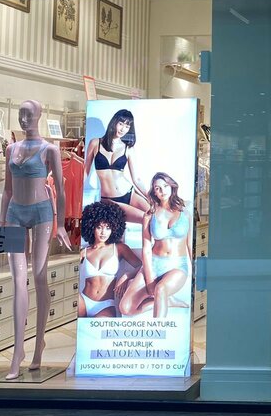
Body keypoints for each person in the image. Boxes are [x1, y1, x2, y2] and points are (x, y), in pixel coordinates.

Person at [1, 100, 71, 380]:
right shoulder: (11, 149)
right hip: (14, 213)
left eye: (29, 114)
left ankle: (39, 342)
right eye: (21, 114)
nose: (24, 119)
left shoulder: (49, 149)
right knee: (18, 280)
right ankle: (18, 351)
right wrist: (1, 220)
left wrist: (62, 224)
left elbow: (61, 189)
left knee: (39, 276)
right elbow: (7, 189)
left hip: (41, 212)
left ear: (39, 116)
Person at [118, 172, 192, 318]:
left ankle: (159, 329)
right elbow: (146, 250)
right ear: (154, 192)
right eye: (158, 188)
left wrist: (197, 269)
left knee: (161, 289)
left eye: (165, 186)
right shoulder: (149, 215)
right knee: (125, 308)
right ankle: (168, 301)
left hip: (177, 265)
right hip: (154, 264)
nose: (162, 190)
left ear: (172, 186)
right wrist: (149, 279)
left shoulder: (186, 210)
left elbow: (190, 244)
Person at [77, 201, 142, 318]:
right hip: (83, 302)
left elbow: (141, 266)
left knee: (97, 326)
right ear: (91, 227)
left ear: (114, 228)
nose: (103, 232)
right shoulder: (84, 252)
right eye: (99, 227)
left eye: (108, 227)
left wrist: (127, 276)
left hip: (105, 305)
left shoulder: (119, 248)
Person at [85, 109, 150, 223]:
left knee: (155, 216)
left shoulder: (128, 148)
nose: (123, 129)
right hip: (109, 200)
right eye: (121, 124)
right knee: (146, 219)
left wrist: (149, 196)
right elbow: (85, 172)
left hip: (129, 193)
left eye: (127, 126)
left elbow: (136, 179)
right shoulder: (95, 143)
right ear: (114, 122)